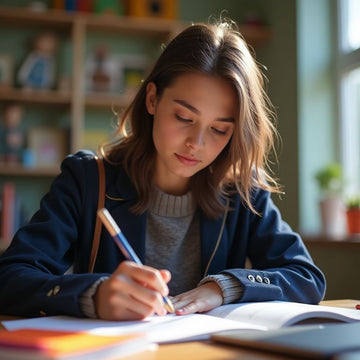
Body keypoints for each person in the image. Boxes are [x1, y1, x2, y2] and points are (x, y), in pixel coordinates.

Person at [0, 19, 326, 321]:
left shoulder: (243, 191)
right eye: (184, 118)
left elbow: (307, 277)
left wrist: (224, 288)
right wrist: (94, 294)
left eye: (219, 130)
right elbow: (11, 277)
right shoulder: (86, 180)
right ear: (153, 99)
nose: (196, 144)